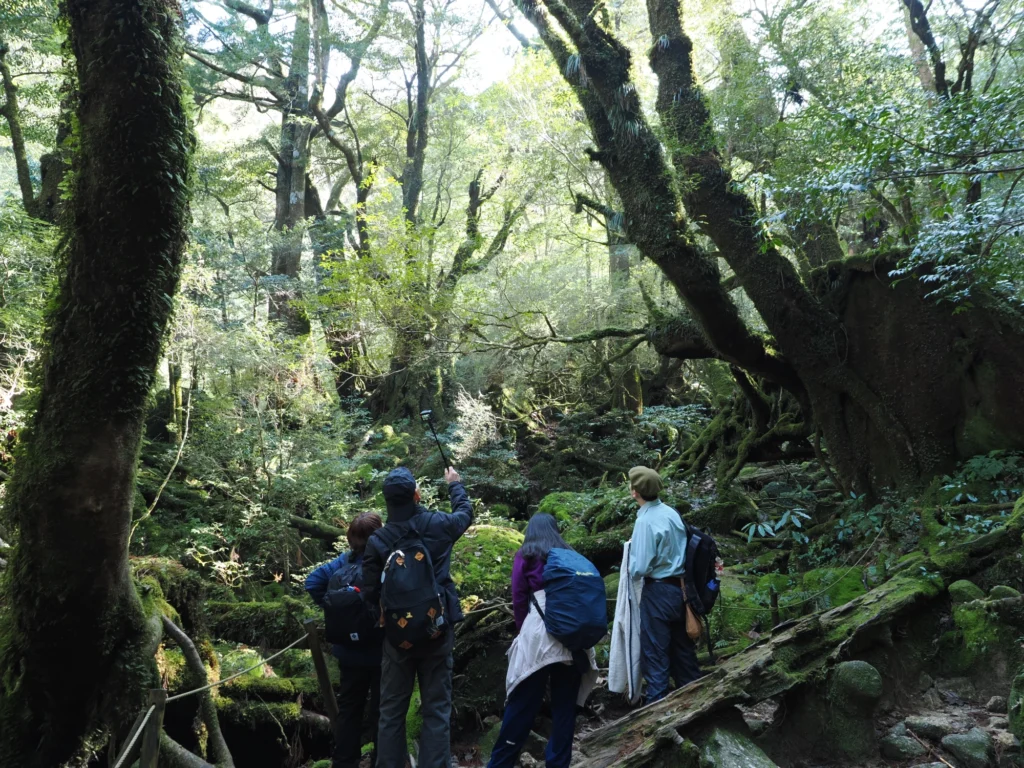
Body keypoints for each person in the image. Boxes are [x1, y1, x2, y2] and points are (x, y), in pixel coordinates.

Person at [362, 466, 473, 768]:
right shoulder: (437, 524)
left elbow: (369, 591)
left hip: (398, 640)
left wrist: (385, 616)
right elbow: (465, 515)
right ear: (416, 495)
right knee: (436, 709)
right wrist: (455, 485)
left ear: (386, 501)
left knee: (392, 711)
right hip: (438, 631)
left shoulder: (378, 540)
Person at [487, 514, 599, 768]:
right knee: (564, 707)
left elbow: (518, 597)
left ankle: (500, 763)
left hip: (539, 634)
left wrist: (521, 632)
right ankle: (558, 763)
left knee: (523, 704)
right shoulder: (569, 553)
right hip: (572, 635)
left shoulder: (526, 554)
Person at [305, 512, 385, 768]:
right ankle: (381, 760)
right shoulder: (386, 561)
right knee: (381, 710)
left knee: (349, 709)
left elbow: (313, 582)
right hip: (382, 650)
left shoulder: (343, 562)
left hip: (348, 651)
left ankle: (344, 762)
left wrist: (336, 610)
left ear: (351, 538)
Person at [626, 465, 702, 702]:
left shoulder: (645, 522)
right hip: (681, 591)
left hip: (657, 592)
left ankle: (655, 716)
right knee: (684, 654)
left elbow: (639, 568)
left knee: (656, 656)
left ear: (635, 491)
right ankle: (697, 706)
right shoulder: (671, 513)